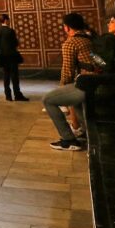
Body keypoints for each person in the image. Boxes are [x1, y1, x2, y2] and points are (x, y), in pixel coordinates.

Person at [44, 12, 95, 151]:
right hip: (97, 81)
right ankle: (87, 132)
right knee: (75, 100)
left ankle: (69, 139)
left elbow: (67, 72)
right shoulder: (89, 39)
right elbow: (98, 61)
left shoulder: (71, 42)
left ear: (67, 27)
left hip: (87, 84)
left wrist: (62, 90)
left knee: (48, 100)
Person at [0, 14, 27, 101]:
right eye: (8, 19)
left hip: (2, 57)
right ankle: (17, 95)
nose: (9, 21)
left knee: (6, 76)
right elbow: (15, 43)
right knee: (14, 76)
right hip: (11, 56)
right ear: (6, 20)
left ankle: (8, 96)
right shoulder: (10, 31)